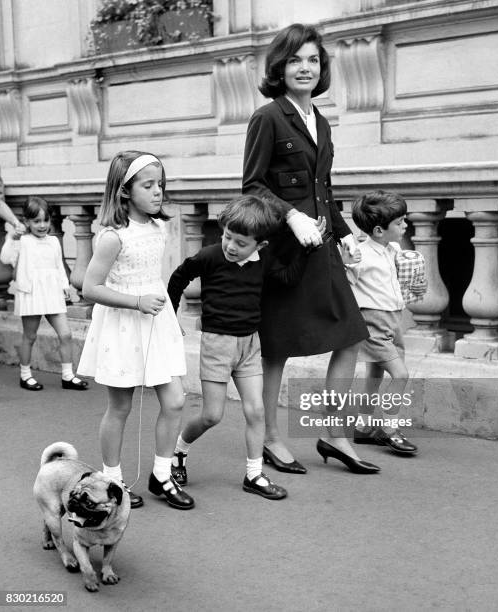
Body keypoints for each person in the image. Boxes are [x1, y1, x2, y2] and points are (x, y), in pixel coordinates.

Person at [242, 23, 379, 474]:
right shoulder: (268, 117)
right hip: (284, 252)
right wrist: (292, 216)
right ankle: (270, 438)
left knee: (351, 334)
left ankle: (335, 433)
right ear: (279, 68)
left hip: (322, 248)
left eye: (313, 60)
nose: (306, 68)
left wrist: (344, 235)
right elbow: (253, 185)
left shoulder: (320, 120)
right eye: (296, 60)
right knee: (276, 347)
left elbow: (324, 188)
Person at [167, 195, 319, 499]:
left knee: (256, 410)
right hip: (217, 345)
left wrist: (307, 249)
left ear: (260, 245)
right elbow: (179, 277)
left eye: (240, 242)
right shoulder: (209, 256)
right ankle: (179, 451)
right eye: (227, 236)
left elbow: (288, 279)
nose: (231, 246)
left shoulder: (263, 263)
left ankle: (254, 475)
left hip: (250, 344)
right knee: (212, 415)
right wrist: (170, 319)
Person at [77, 151, 194, 511]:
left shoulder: (159, 227)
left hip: (155, 322)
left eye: (160, 184)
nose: (158, 191)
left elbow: (154, 277)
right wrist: (136, 302)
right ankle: (112, 479)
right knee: (120, 407)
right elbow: (89, 287)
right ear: (125, 191)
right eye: (148, 185)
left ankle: (161, 474)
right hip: (123, 325)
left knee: (174, 400)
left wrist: (167, 320)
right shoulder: (112, 237)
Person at [344, 190, 427, 454]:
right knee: (400, 374)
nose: (405, 225)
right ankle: (389, 427)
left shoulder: (393, 248)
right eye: (400, 222)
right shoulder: (361, 255)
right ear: (379, 230)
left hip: (393, 318)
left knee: (375, 374)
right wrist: (347, 265)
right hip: (372, 322)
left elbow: (396, 280)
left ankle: (364, 426)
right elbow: (347, 286)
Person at [0, 197, 88, 392]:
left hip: (52, 293)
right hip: (31, 293)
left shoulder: (54, 241)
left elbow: (59, 267)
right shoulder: (21, 240)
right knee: (29, 336)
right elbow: (5, 258)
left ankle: (67, 375)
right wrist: (12, 238)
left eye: (45, 220)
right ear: (27, 221)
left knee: (66, 333)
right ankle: (25, 375)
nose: (42, 225)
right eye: (36, 221)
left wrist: (65, 287)